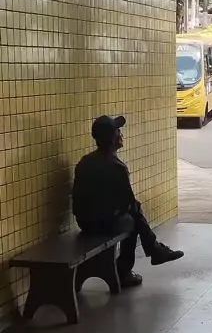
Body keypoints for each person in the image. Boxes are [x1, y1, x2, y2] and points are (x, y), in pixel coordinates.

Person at [72, 115, 183, 287]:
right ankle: (126, 269)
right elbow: (129, 203)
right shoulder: (116, 167)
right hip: (102, 224)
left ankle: (154, 249)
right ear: (112, 138)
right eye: (118, 131)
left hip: (84, 222)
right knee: (133, 220)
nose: (121, 134)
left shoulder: (85, 162)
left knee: (134, 212)